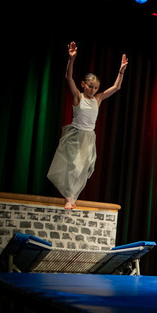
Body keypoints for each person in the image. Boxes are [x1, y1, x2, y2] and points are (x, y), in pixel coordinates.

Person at [47, 42, 128, 209]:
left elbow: (116, 87)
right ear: (83, 84)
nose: (93, 90)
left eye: (96, 88)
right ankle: (68, 198)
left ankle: (72, 197)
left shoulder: (97, 99)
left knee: (84, 169)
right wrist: (71, 59)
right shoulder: (78, 97)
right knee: (73, 167)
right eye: (90, 86)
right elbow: (69, 78)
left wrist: (121, 71)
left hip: (89, 137)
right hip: (76, 135)